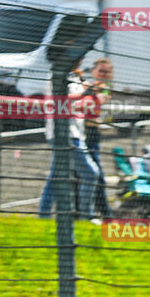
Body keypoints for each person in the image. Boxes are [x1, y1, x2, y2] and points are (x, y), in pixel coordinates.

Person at [38, 59, 103, 222]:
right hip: (65, 134)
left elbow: (83, 104)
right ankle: (86, 216)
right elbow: (58, 100)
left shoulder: (76, 77)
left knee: (57, 176)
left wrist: (92, 94)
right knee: (90, 173)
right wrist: (83, 94)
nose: (81, 60)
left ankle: (43, 216)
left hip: (75, 133)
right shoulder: (57, 74)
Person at [84, 58, 114, 219]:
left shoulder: (107, 88)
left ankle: (104, 214)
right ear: (94, 71)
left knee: (96, 176)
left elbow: (103, 98)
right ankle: (96, 214)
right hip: (81, 132)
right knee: (88, 175)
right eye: (100, 71)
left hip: (93, 134)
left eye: (106, 72)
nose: (103, 75)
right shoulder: (85, 84)